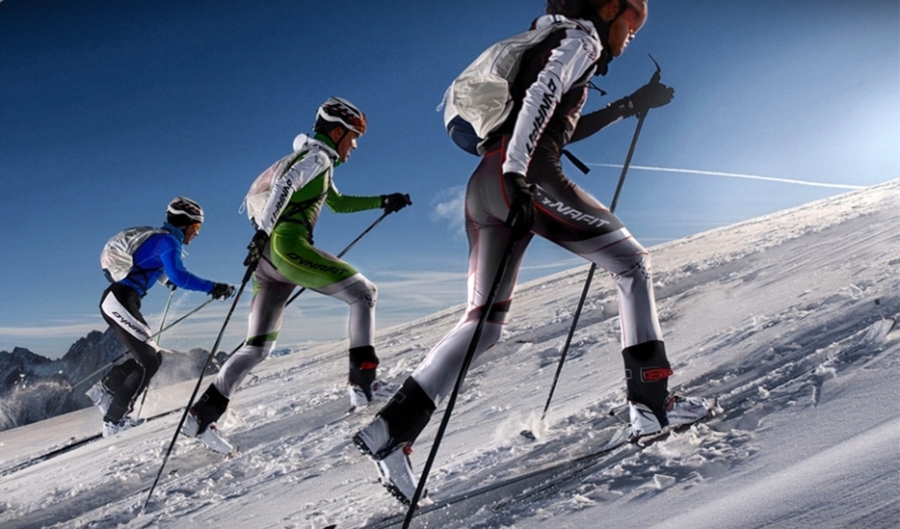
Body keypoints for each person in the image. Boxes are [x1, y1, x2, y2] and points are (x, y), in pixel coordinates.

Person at [354, 0, 712, 504]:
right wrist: (518, 172)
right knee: (632, 265)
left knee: (483, 323)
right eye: (632, 17)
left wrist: (629, 105)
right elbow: (543, 96)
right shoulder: (581, 38)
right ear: (608, 7)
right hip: (524, 177)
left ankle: (390, 432)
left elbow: (556, 124)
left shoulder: (544, 40)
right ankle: (652, 406)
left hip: (485, 185)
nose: (633, 31)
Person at [181, 97, 412, 453]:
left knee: (257, 347)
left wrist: (383, 201)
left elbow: (337, 203)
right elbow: (285, 186)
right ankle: (363, 384)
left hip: (266, 261)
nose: (355, 145)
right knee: (364, 293)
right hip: (286, 247)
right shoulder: (317, 158)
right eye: (353, 136)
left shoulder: (313, 160)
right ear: (337, 132)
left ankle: (200, 416)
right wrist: (263, 233)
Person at [87, 197, 235, 437]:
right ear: (184, 223)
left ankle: (106, 390)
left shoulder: (162, 240)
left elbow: (151, 265)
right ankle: (114, 419)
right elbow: (179, 276)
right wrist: (213, 287)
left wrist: (165, 280)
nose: (197, 233)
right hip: (119, 300)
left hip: (121, 300)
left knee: (151, 356)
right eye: (196, 226)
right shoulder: (168, 241)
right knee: (149, 360)